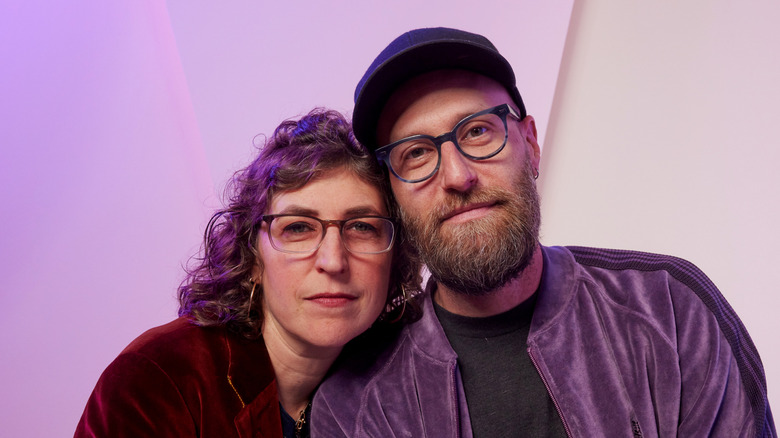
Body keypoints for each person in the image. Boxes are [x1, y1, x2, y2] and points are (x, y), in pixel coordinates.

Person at [312, 27, 776, 437]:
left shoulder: (671, 311)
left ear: (530, 144)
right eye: (415, 154)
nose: (456, 176)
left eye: (477, 131)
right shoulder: (356, 408)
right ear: (392, 194)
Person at [74, 109, 421, 437]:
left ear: (393, 257)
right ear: (253, 258)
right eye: (298, 228)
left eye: (361, 227)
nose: (333, 261)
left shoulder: (401, 379)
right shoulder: (157, 379)